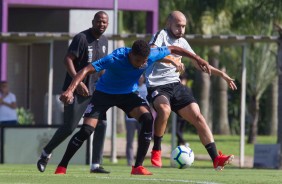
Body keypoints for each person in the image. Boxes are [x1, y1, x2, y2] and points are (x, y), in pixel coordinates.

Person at [55, 39, 211, 175]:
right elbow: (86, 70)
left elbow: (174, 49)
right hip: (104, 93)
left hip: (127, 93)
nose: (142, 64)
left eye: (145, 61)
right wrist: (70, 90)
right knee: (86, 130)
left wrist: (198, 58)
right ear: (131, 55)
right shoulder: (116, 57)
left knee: (148, 118)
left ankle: (138, 167)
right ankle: (62, 166)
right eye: (138, 61)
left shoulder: (149, 55)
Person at [146, 11, 237, 171]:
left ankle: (216, 158)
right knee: (164, 110)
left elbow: (198, 63)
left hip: (175, 85)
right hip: (157, 85)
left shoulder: (182, 42)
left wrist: (221, 74)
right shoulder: (161, 35)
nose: (181, 29)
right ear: (169, 24)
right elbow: (151, 53)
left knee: (198, 117)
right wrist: (172, 60)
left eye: (183, 26)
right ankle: (157, 149)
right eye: (178, 26)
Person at [37, 11, 110, 174]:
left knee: (102, 124)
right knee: (69, 127)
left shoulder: (105, 41)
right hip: (77, 92)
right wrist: (76, 85)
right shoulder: (81, 38)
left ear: (108, 24)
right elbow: (67, 60)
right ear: (93, 21)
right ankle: (45, 153)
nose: (101, 24)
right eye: (99, 21)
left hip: (96, 92)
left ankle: (95, 164)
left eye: (104, 22)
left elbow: (102, 66)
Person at [125, 74, 147, 166]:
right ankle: (130, 161)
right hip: (130, 119)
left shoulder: (146, 88)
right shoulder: (130, 87)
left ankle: (139, 161)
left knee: (141, 140)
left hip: (141, 118)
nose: (140, 78)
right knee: (130, 141)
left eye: (141, 77)